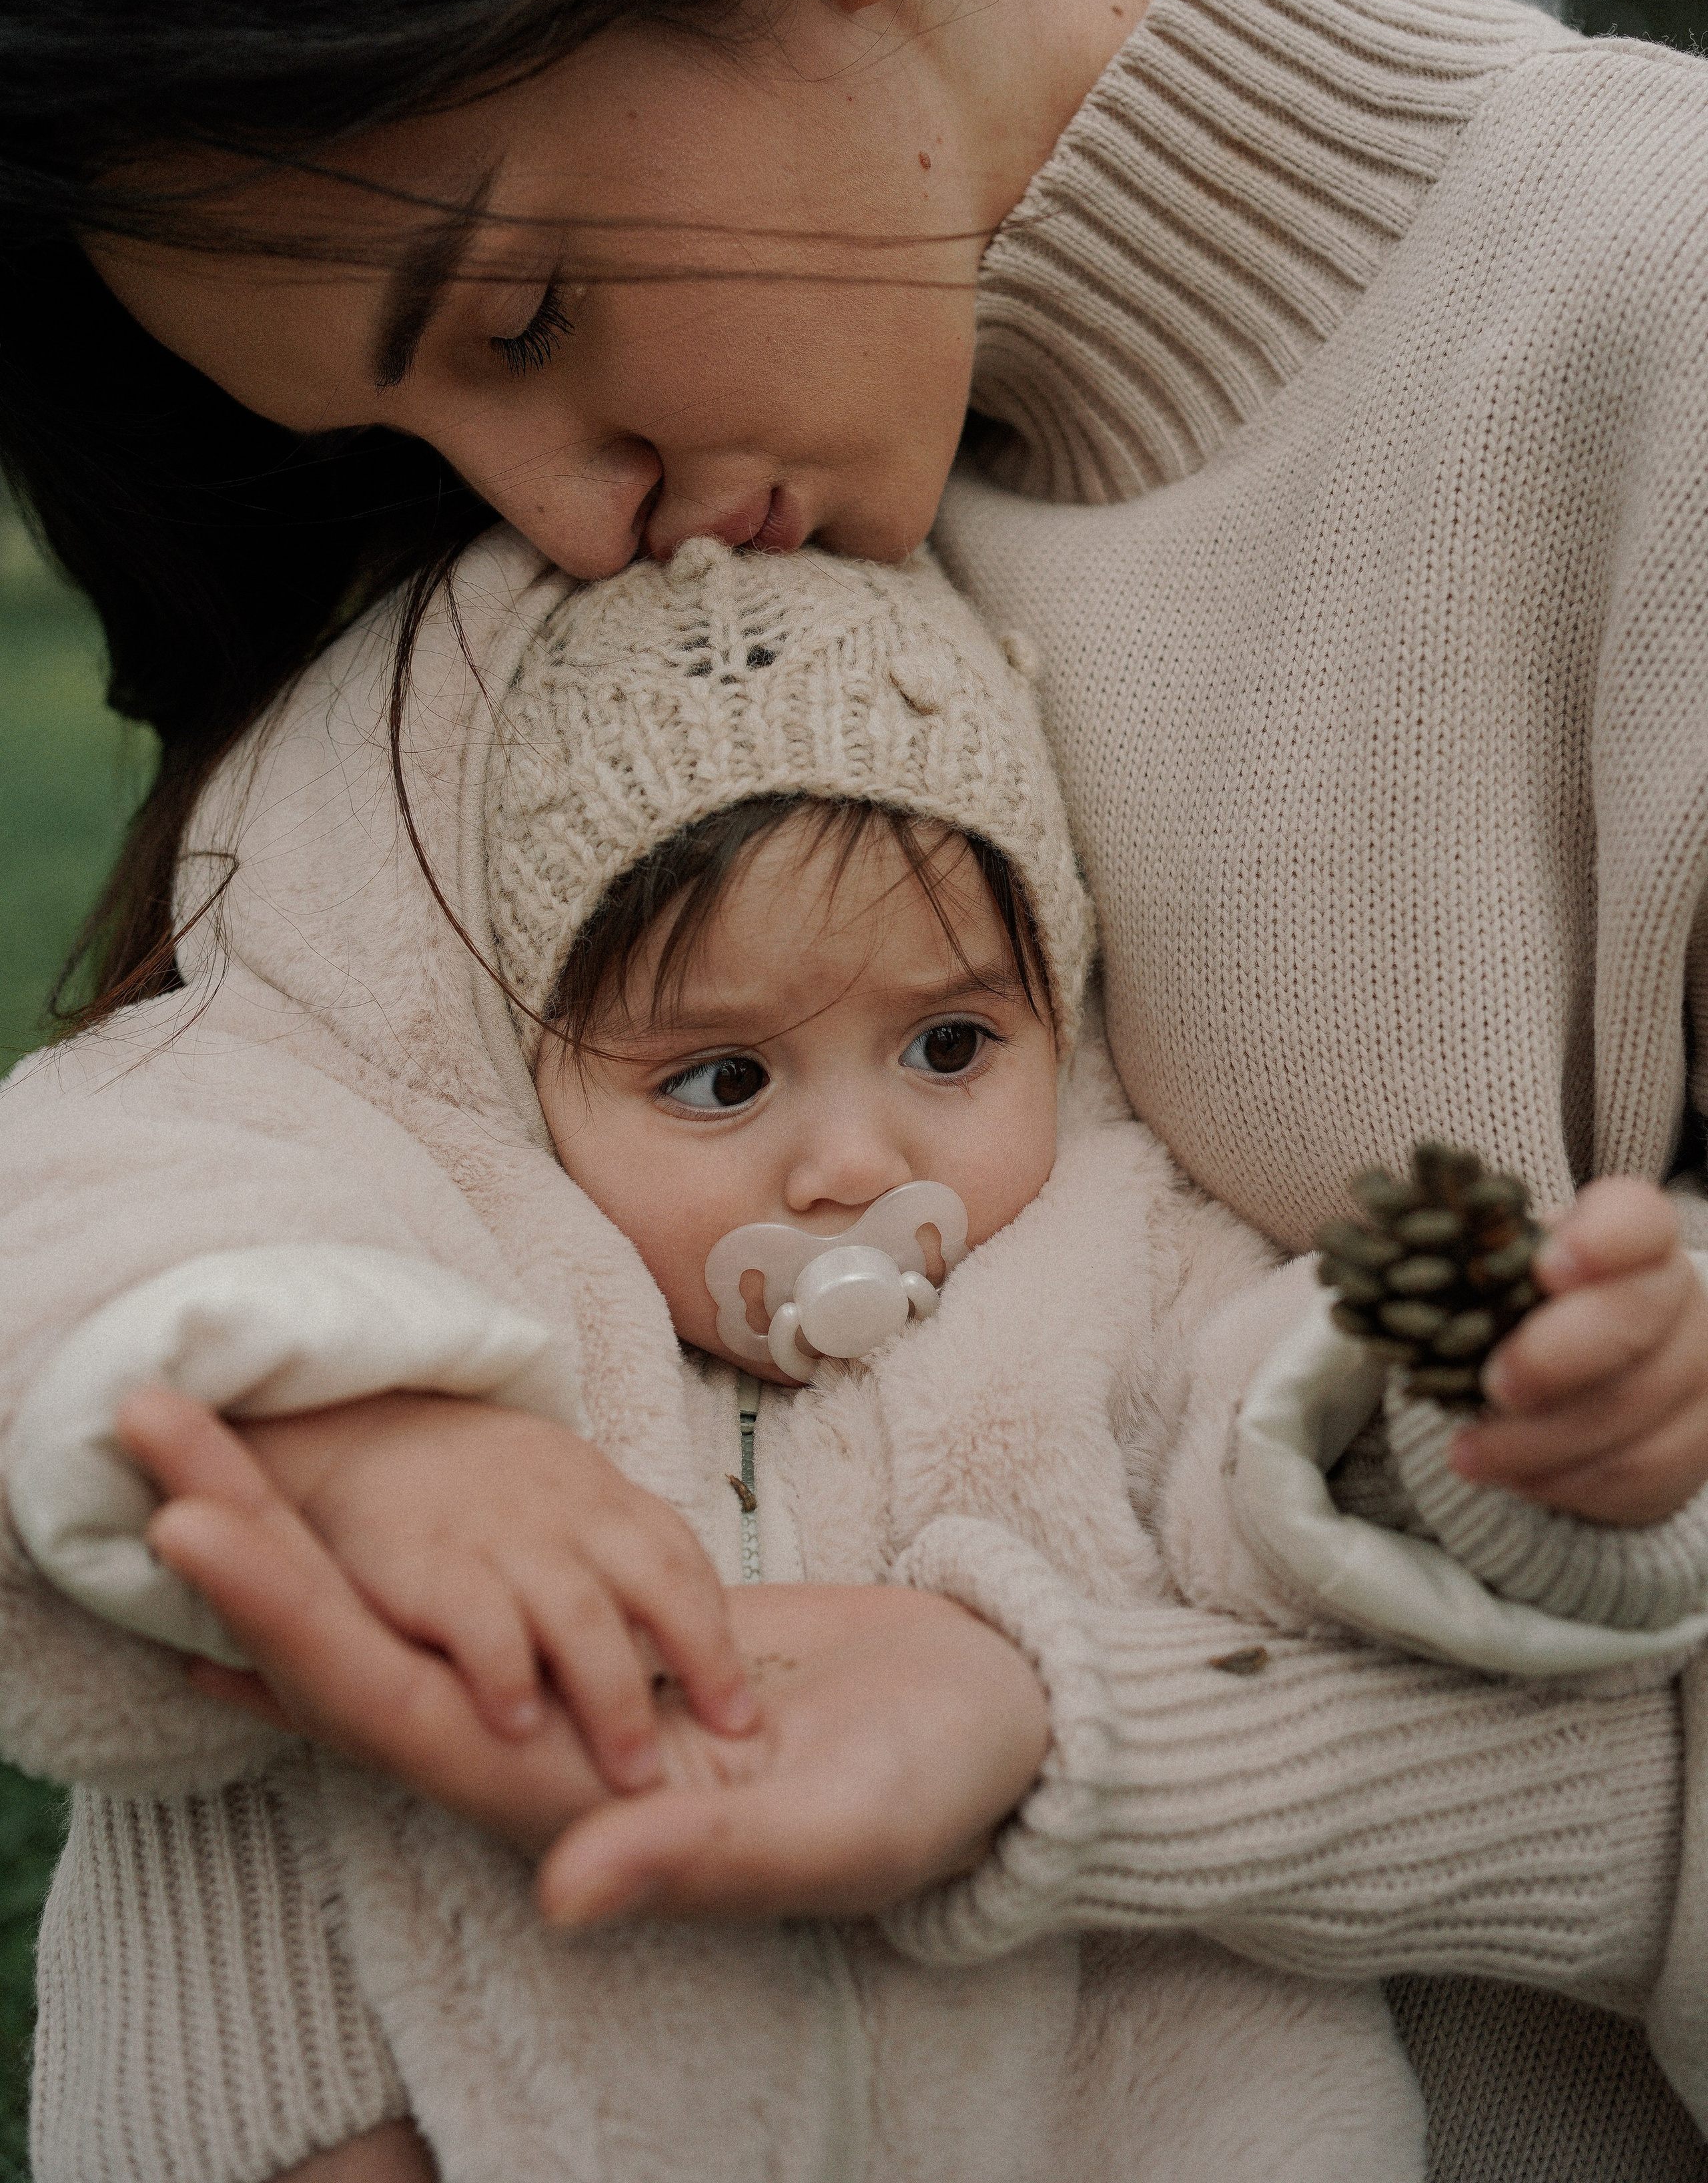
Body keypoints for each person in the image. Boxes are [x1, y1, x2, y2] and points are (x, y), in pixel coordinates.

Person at [3, 0, 1707, 2172]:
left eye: (524, 313)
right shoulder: (557, 620)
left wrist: (1076, 1751)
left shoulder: (1647, 330)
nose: (562, 513)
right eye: (414, 414)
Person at [11, 534, 1708, 2183]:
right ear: (527, 1063)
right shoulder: (463, 1252)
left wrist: (1498, 1430)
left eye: (951, 1044)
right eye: (721, 1080)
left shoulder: (1114, 1257)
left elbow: (1275, 1463)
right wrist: (370, 1421)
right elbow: (108, 1192)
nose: (853, 1165)